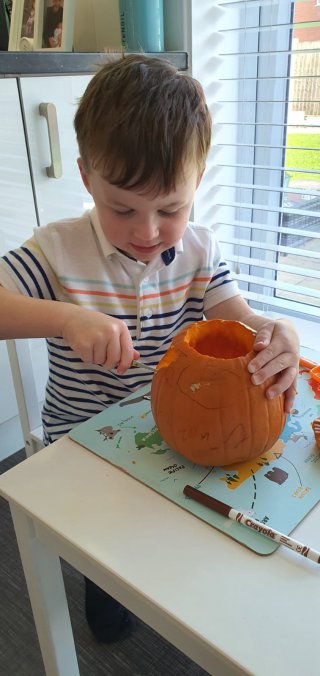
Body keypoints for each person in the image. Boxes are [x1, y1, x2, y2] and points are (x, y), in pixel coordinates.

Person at [0, 54, 300, 643]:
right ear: (87, 179)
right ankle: (103, 590)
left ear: (198, 180)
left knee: (186, 541)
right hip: (82, 440)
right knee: (106, 544)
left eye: (170, 208)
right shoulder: (58, 252)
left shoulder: (199, 250)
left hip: (174, 435)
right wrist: (64, 318)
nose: (148, 231)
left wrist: (274, 329)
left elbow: (234, 317)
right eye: (122, 209)